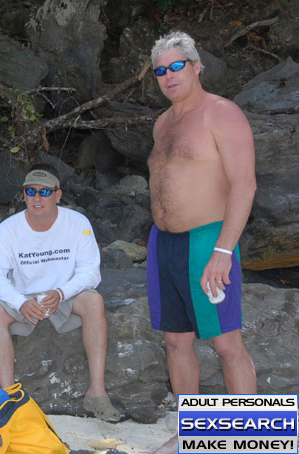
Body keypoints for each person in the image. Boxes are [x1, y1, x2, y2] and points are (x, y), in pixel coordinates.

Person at [147, 31, 257, 453]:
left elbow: (244, 185)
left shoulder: (221, 113)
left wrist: (223, 252)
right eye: (161, 70)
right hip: (164, 244)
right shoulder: (162, 123)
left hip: (208, 239)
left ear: (196, 67)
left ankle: (252, 435)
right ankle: (194, 432)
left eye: (177, 66)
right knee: (175, 340)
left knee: (226, 342)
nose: (169, 76)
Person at [0, 164, 119, 421]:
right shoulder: (8, 228)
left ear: (58, 195)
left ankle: (97, 393)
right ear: (23, 195)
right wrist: (19, 301)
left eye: (45, 192)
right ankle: (8, 394)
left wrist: (62, 292)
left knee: (93, 300)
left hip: (63, 295)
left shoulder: (78, 223)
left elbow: (91, 272)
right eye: (31, 191)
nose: (37, 198)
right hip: (23, 297)